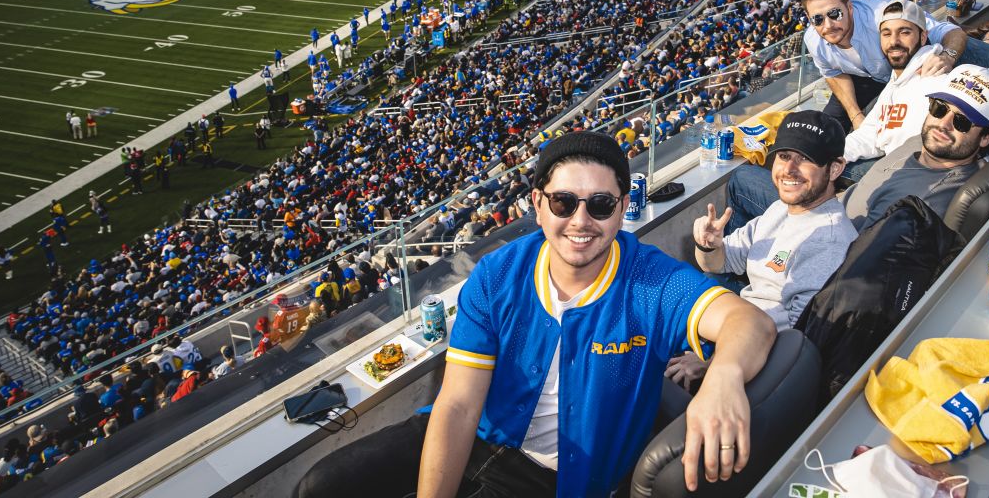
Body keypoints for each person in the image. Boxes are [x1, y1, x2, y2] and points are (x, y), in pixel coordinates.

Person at [295, 131, 776, 498]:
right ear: (539, 205)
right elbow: (459, 405)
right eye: (564, 202)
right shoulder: (497, 274)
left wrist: (724, 378)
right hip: (480, 433)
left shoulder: (650, 280)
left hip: (559, 476)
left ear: (623, 208)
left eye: (601, 205)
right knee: (321, 485)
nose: (580, 221)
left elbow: (749, 323)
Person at [666, 112, 857, 392]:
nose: (789, 170)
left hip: (750, 352)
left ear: (835, 169)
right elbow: (717, 264)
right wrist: (708, 245)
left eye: (805, 159)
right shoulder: (783, 207)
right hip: (742, 322)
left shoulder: (827, 243)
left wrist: (715, 362)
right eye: (784, 156)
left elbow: (791, 343)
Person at [725, 65, 989, 234]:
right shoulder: (919, 142)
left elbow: (854, 252)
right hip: (834, 205)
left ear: (986, 137)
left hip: (824, 233)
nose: (943, 124)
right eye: (939, 108)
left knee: (741, 181)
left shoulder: (930, 200)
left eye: (961, 121)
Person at [800, 0, 989, 131]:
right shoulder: (813, 38)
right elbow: (833, 73)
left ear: (850, 8)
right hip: (874, 77)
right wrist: (855, 116)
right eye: (817, 19)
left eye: (834, 14)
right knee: (828, 125)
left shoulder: (884, 13)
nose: (827, 25)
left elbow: (952, 34)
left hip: (927, 59)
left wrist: (948, 57)